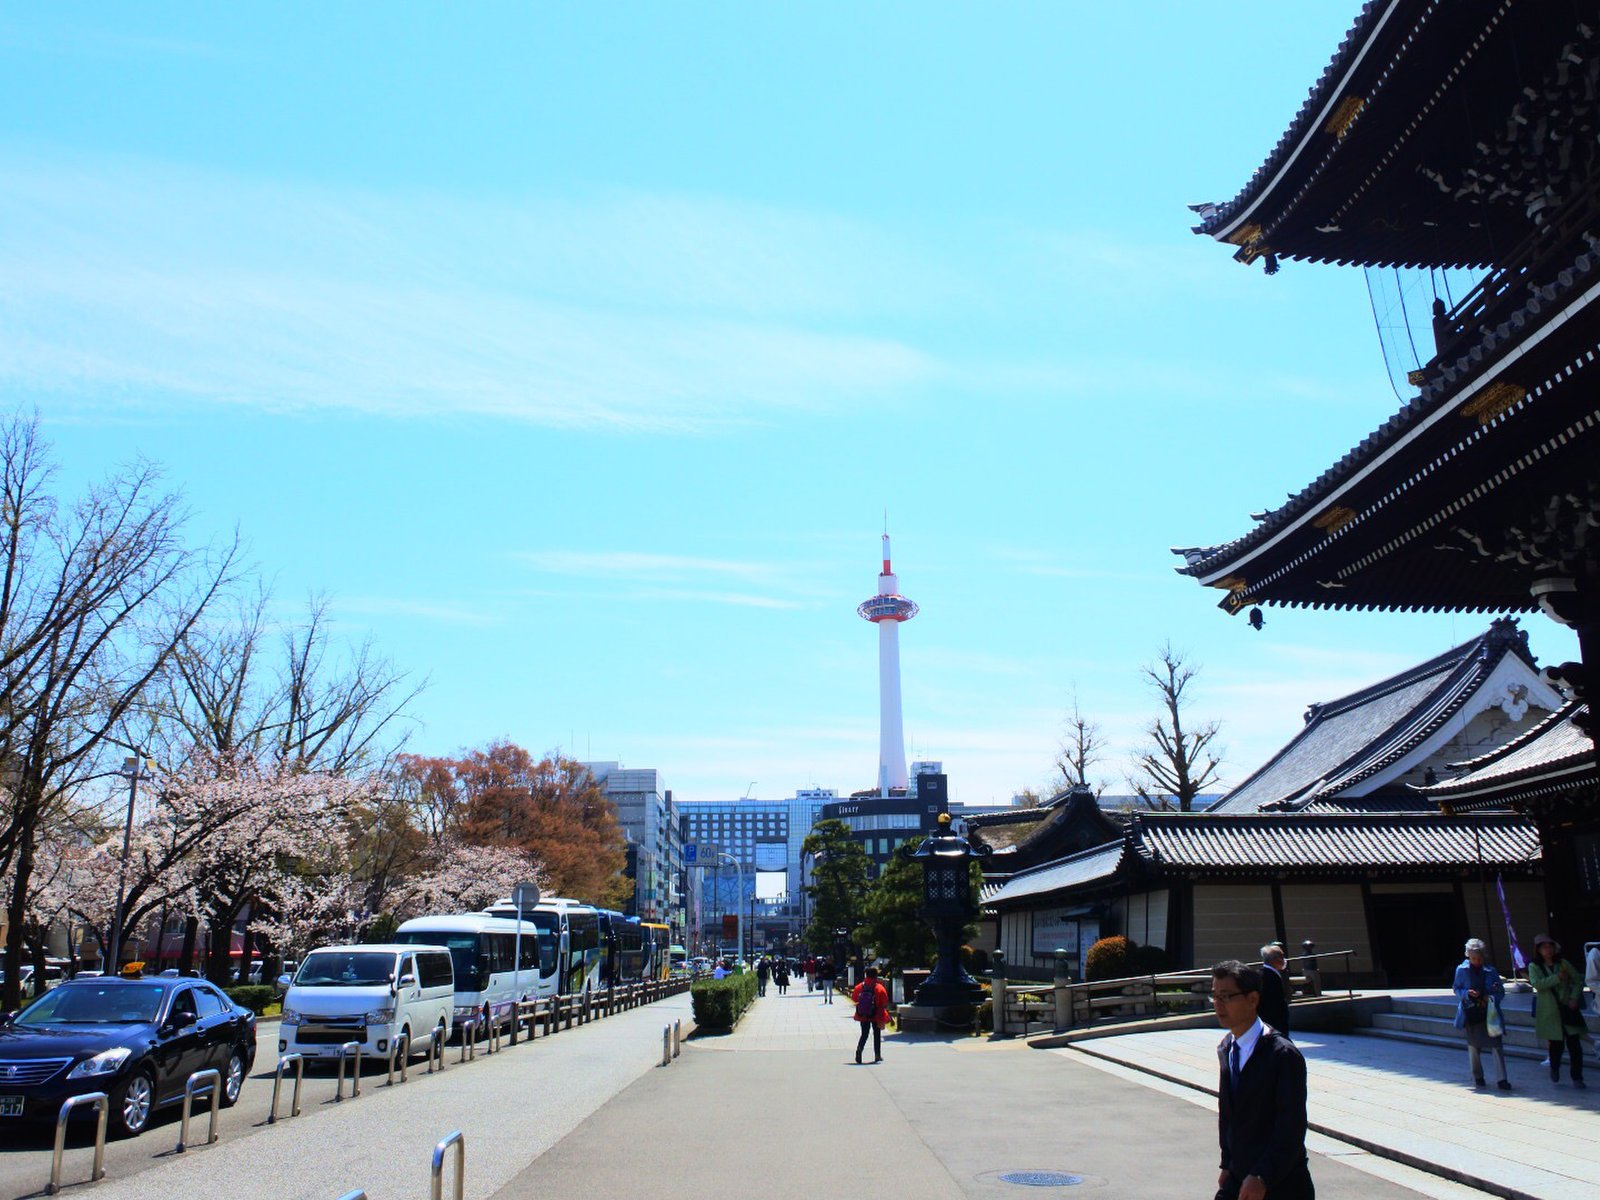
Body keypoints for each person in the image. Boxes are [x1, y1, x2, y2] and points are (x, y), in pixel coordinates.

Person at [1211, 960, 1313, 1200]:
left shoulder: (1282, 1054)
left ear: (1252, 1000)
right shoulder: (1227, 1047)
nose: (1218, 1004)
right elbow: (1228, 1114)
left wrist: (1262, 1176)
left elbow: (1292, 1126)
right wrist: (1227, 1163)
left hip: (1281, 1183)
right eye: (1214, 996)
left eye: (1225, 996)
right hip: (1239, 1177)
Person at [1452, 937, 1511, 1090]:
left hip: (1490, 1012)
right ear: (1468, 956)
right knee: (1473, 1045)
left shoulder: (1491, 971)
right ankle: (1478, 1077)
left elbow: (1500, 992)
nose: (1476, 961)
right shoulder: (1461, 970)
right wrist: (1466, 993)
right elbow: (1456, 988)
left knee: (1497, 1044)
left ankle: (1502, 1079)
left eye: (1479, 958)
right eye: (1473, 958)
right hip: (1471, 1012)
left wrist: (1489, 997)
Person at [1529, 934, 1586, 1088]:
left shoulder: (1563, 963)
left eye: (1550, 946)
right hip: (1550, 1012)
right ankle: (1554, 1068)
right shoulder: (1534, 966)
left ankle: (1577, 1077)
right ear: (1538, 950)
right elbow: (1537, 984)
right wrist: (1557, 978)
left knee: (1575, 1045)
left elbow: (1578, 980)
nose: (1548, 950)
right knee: (1556, 1046)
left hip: (1567, 1008)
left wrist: (1574, 997)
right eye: (1544, 947)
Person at [851, 966, 890, 1064]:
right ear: (876, 975)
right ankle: (877, 1054)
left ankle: (859, 1050)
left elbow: (854, 998)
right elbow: (884, 1001)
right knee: (876, 1034)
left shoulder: (859, 987)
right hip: (876, 1014)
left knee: (864, 1034)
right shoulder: (879, 988)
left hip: (863, 1014)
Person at [1258, 944, 1291, 1039]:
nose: (1284, 960)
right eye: (1282, 956)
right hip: (1274, 1025)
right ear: (1274, 959)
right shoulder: (1269, 977)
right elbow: (1272, 1004)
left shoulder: (1265, 974)